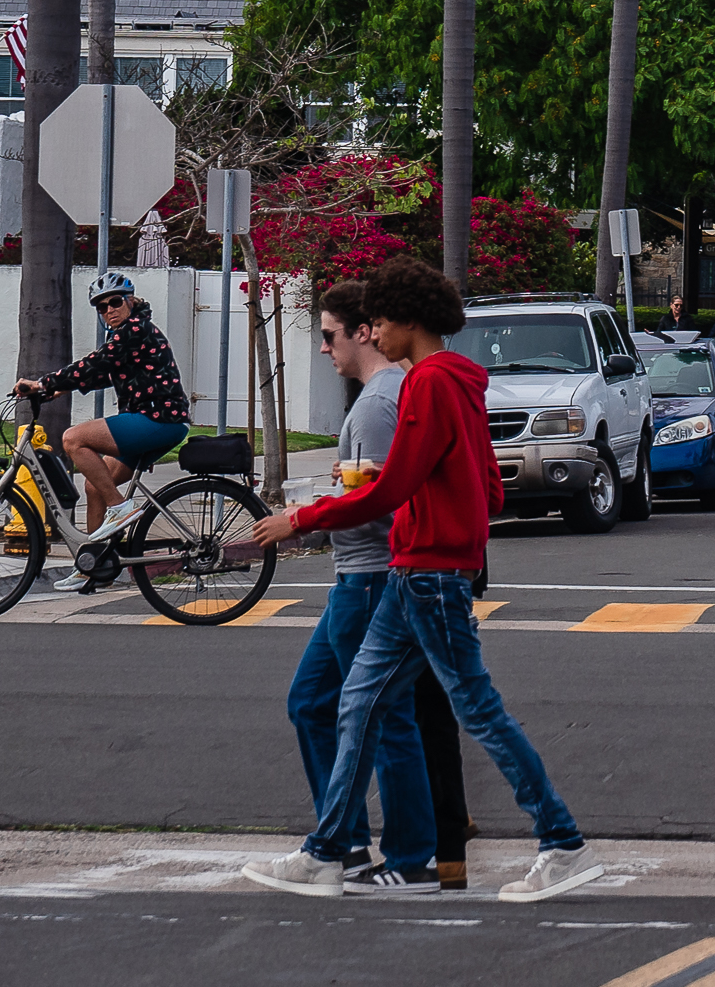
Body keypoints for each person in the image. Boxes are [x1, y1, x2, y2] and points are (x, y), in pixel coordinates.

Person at [243, 255, 607, 905]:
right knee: (359, 705)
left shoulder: (429, 384)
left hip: (427, 574)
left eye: (379, 320)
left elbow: (393, 487)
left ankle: (562, 842)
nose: (371, 333)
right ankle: (331, 854)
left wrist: (301, 516)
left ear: (408, 320)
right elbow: (488, 490)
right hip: (426, 570)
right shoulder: (459, 382)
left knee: (475, 711)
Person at [282, 279, 439, 892]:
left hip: (370, 579)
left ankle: (405, 857)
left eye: (329, 335)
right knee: (314, 703)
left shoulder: (377, 403)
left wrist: (306, 517)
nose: (325, 349)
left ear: (361, 332)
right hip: (358, 576)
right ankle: (346, 841)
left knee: (385, 715)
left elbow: (382, 500)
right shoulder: (380, 395)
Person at [15, 270, 190, 589]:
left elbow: (98, 362)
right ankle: (92, 566)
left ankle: (121, 508)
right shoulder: (130, 333)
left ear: (130, 300)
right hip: (156, 421)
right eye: (101, 306)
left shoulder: (134, 328)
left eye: (115, 301)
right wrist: (59, 389)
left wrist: (44, 382)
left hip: (157, 419)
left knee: (73, 438)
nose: (109, 309)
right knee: (95, 487)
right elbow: (105, 373)